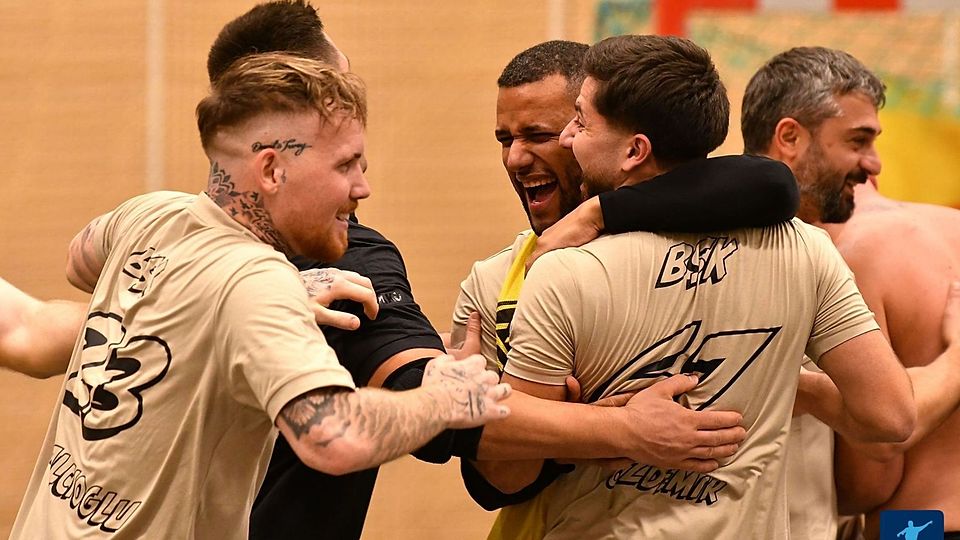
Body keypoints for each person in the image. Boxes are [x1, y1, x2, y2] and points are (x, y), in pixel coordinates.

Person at [10, 53, 512, 539]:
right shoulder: (259, 281)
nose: (363, 187)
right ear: (272, 171)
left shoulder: (151, 215)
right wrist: (443, 400)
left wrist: (193, 313)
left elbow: (80, 258)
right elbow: (333, 436)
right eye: (346, 166)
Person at [476, 34, 920, 540]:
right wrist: (780, 371)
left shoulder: (559, 272)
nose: (570, 139)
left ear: (634, 150)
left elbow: (507, 470)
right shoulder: (806, 249)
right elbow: (892, 418)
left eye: (579, 122)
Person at [451, 39, 802, 514]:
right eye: (504, 139)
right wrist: (595, 427)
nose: (515, 158)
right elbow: (493, 484)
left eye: (540, 135)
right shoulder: (492, 281)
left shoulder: (736, 234)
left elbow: (772, 183)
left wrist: (600, 210)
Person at [740, 46, 960, 539]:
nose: (874, 162)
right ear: (788, 137)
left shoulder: (848, 254)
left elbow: (872, 480)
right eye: (859, 141)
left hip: (919, 527)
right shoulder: (952, 228)